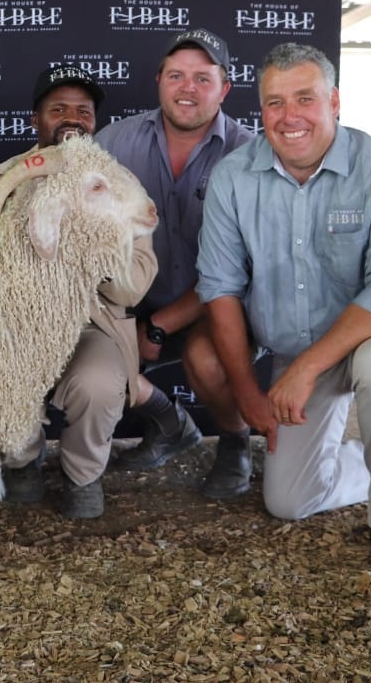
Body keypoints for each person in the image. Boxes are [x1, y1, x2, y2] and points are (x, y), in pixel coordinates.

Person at [195, 42, 371, 569]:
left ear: (334, 101)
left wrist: (306, 369)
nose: (289, 117)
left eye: (305, 98)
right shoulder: (232, 177)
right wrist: (249, 392)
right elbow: (219, 287)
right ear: (260, 108)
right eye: (274, 102)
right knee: (288, 502)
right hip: (297, 343)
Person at [0, 64, 158, 519]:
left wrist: (84, 244)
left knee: (100, 381)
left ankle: (82, 474)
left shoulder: (119, 185)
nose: (72, 118)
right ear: (36, 119)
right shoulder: (4, 177)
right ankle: (23, 460)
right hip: (14, 324)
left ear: (95, 121)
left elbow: (132, 288)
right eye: (58, 109)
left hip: (91, 327)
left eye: (83, 110)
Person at [94, 28, 257, 497]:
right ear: (159, 81)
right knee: (85, 349)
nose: (188, 88)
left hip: (215, 301)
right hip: (131, 296)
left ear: (224, 88)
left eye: (202, 79)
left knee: (207, 359)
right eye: (177, 76)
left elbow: (243, 265)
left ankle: (235, 441)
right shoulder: (115, 142)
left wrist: (162, 324)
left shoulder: (249, 155)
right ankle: (169, 424)